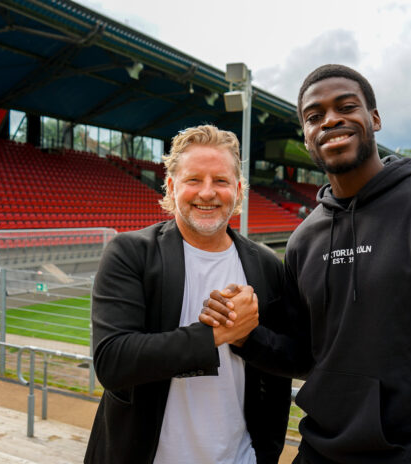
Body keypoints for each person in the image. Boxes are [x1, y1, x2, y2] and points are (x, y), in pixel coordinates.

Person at [201, 65, 411, 463]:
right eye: (314, 116)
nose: (330, 120)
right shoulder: (303, 240)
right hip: (320, 450)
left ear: (375, 119)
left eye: (346, 106)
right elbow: (304, 355)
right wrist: (245, 336)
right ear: (307, 136)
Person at [85, 125, 291, 464]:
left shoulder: (266, 265)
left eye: (221, 181)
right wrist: (214, 335)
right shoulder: (130, 253)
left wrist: (246, 337)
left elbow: (292, 359)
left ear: (238, 190)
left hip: (240, 457)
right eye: (194, 179)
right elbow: (112, 361)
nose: (207, 192)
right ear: (171, 186)